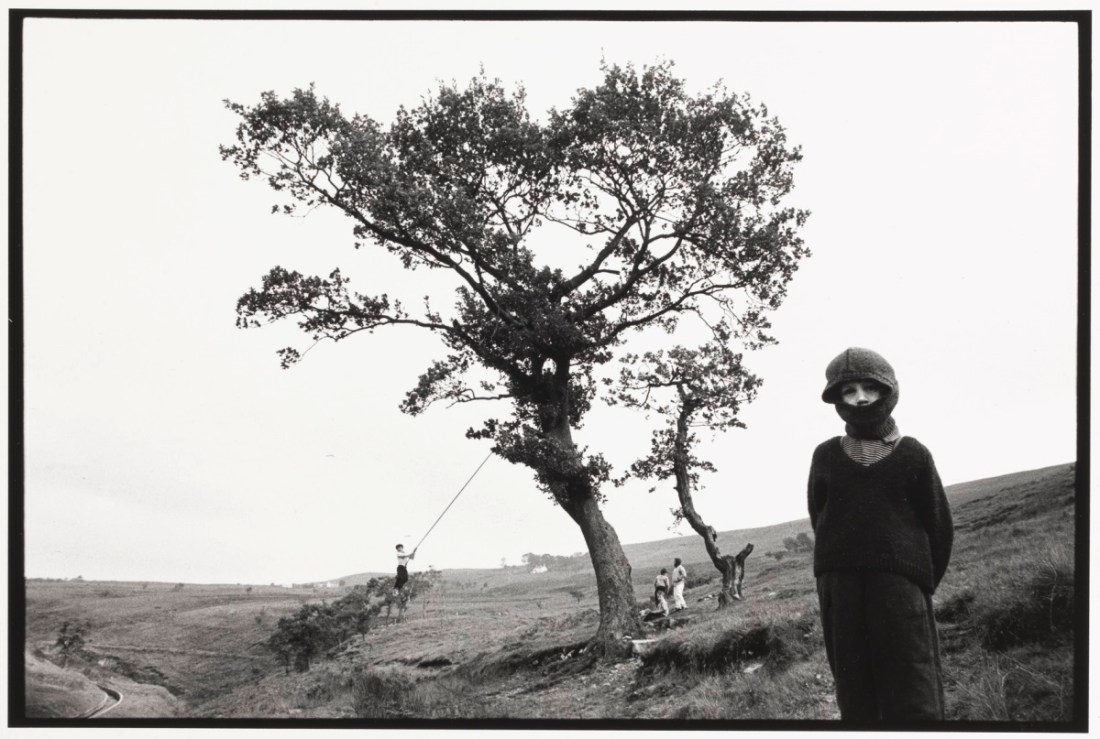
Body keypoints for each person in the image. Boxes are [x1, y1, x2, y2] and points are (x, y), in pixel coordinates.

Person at [807, 347, 953, 721]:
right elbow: (820, 518)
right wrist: (838, 568)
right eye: (848, 390)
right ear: (837, 399)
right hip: (840, 590)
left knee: (913, 689)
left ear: (888, 390)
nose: (860, 398)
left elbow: (939, 527)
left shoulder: (913, 454)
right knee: (855, 694)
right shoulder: (825, 456)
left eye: (869, 388)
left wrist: (914, 583)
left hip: (900, 590)